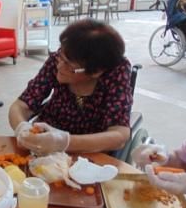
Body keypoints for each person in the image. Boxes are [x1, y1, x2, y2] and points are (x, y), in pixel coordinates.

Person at [9, 19, 133, 155]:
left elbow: (120, 135)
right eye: (60, 58)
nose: (59, 66)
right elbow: (21, 105)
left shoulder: (116, 70)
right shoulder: (59, 59)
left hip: (92, 150)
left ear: (97, 71)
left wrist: (63, 142)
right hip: (46, 137)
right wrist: (22, 128)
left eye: (69, 65)